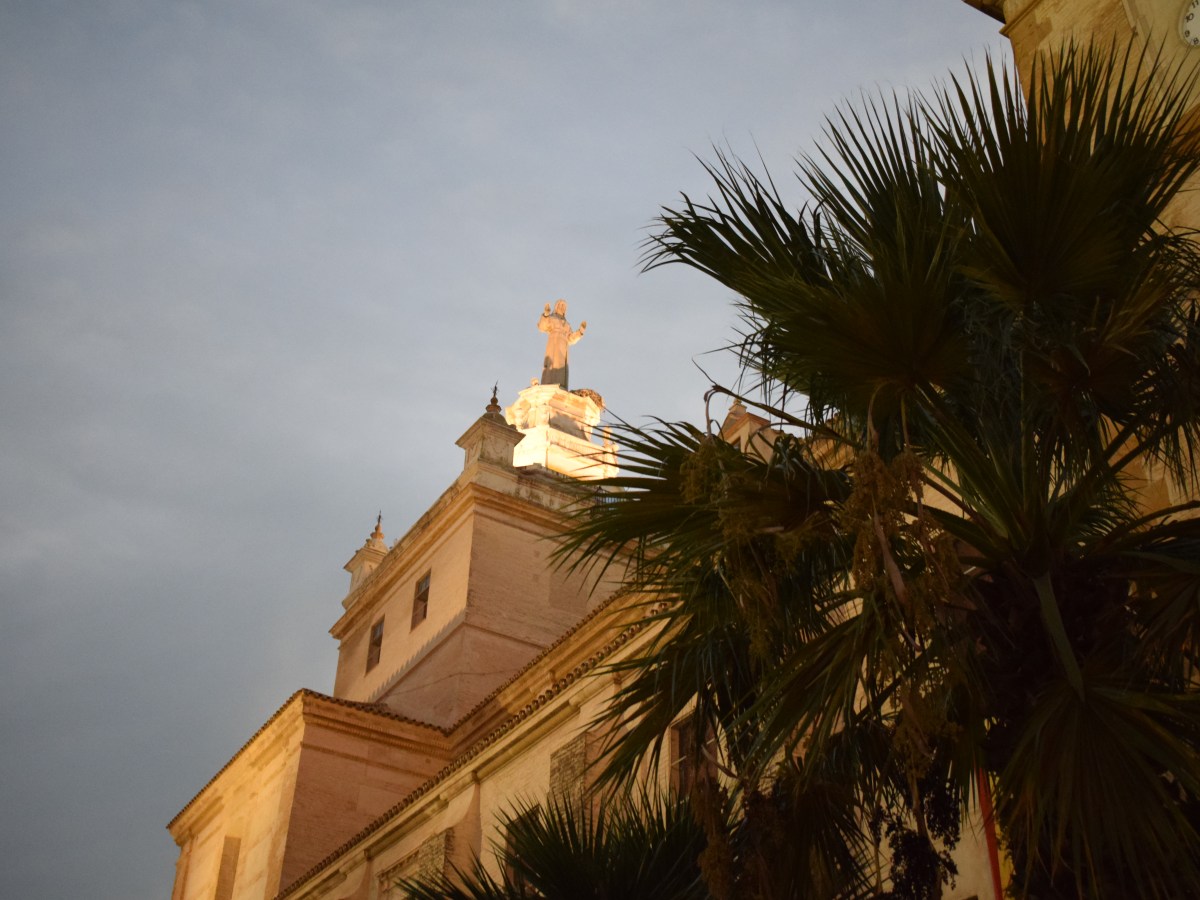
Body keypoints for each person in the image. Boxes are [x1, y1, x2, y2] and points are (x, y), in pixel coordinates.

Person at [537, 299, 586, 389]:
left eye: (564, 306)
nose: (562, 307)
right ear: (556, 306)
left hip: (563, 346)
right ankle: (548, 383)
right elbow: (542, 327)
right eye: (561, 305)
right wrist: (546, 315)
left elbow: (571, 338)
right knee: (551, 362)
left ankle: (560, 385)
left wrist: (580, 332)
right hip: (554, 342)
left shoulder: (567, 324)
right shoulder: (552, 318)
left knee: (561, 366)